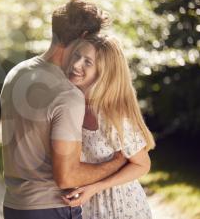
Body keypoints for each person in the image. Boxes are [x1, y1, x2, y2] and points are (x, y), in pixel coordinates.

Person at [0, 0, 128, 219]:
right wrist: (116, 162)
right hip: (51, 208)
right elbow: (67, 177)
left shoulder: (17, 73)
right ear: (84, 37)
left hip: (14, 206)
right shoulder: (67, 93)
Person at [62, 34, 155, 219]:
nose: (76, 64)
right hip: (87, 207)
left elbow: (142, 165)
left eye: (87, 62)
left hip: (121, 208)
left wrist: (95, 187)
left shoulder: (113, 116)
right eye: (77, 56)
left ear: (103, 71)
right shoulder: (72, 105)